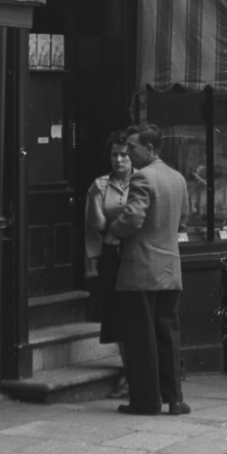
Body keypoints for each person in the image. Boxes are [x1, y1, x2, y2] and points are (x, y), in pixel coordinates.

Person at [109, 122, 189, 416]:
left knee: (141, 337)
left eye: (132, 147)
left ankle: (145, 401)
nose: (128, 152)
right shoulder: (177, 178)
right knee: (168, 334)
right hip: (169, 268)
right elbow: (183, 221)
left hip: (141, 269)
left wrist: (112, 229)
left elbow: (132, 218)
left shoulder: (142, 177)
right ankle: (175, 399)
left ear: (150, 148)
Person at [84, 132, 133, 397]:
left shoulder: (143, 181)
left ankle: (138, 373)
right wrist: (92, 264)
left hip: (138, 255)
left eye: (124, 154)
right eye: (114, 154)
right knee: (120, 318)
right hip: (113, 254)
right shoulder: (100, 186)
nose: (119, 159)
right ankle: (128, 374)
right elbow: (96, 226)